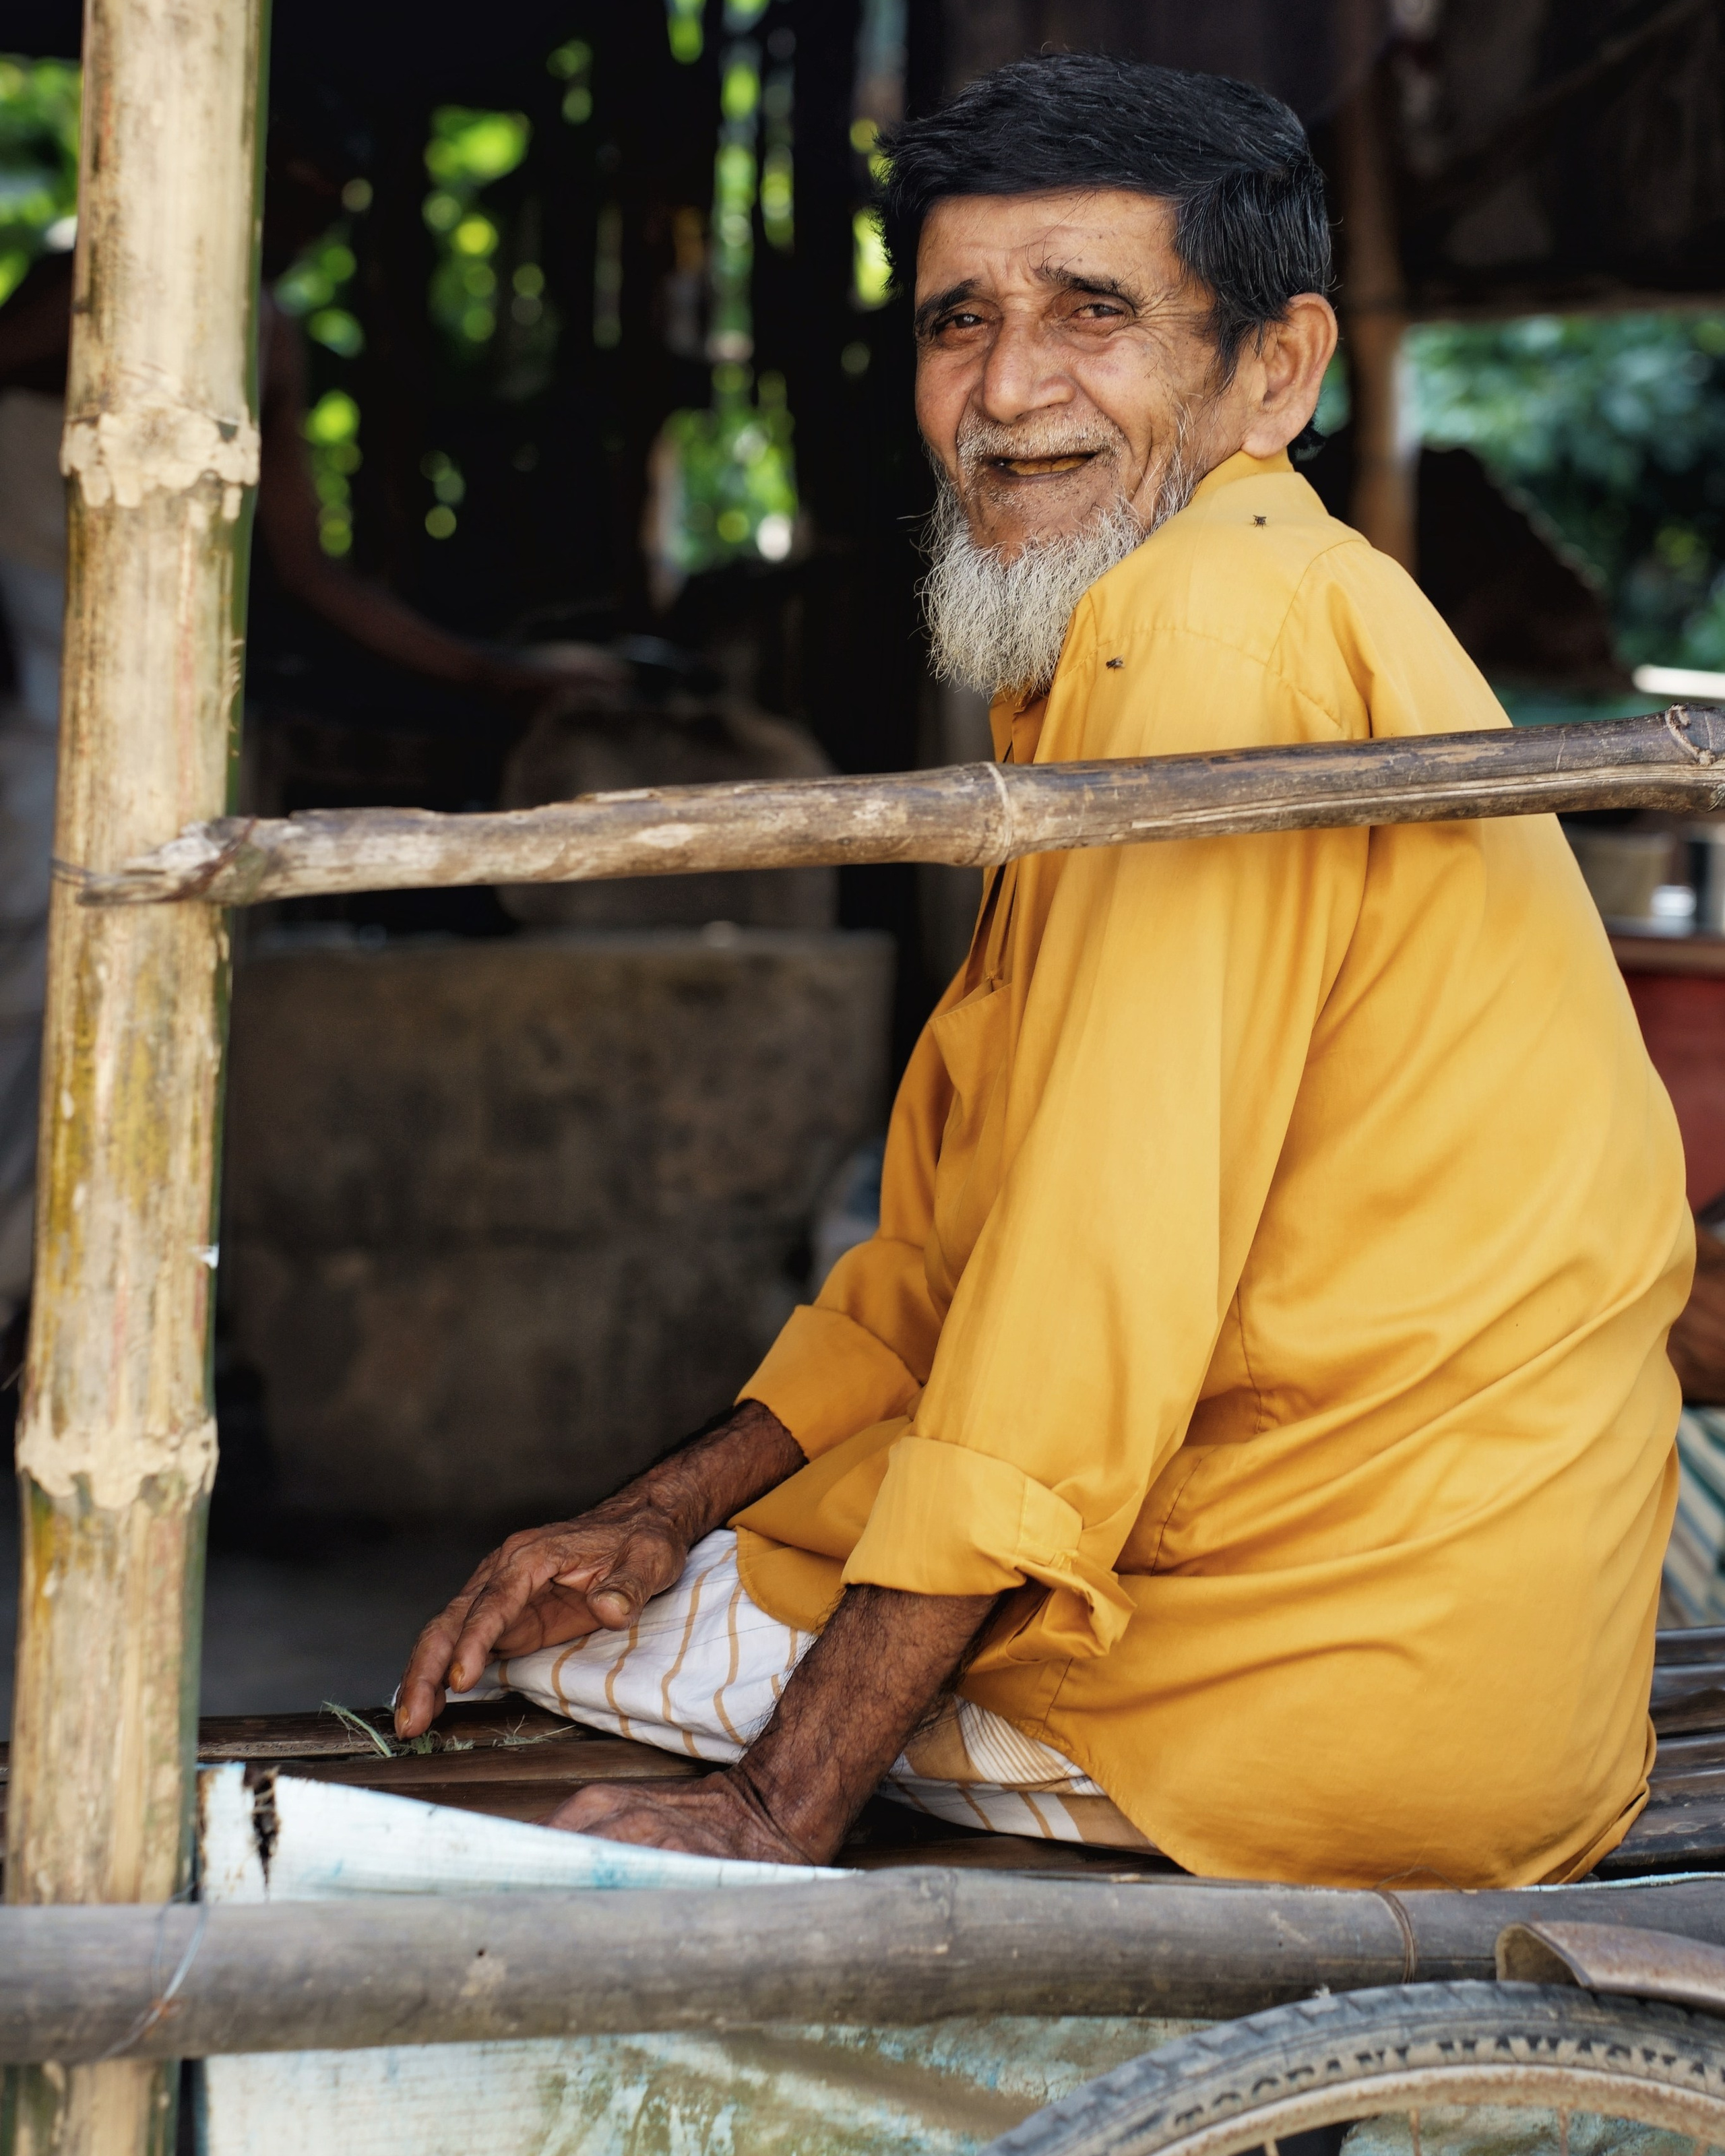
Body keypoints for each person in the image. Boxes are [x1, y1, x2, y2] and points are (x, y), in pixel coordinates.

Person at [397, 54, 1692, 1887]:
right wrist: (660, 1506)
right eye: (961, 322)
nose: (1008, 393)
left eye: (1095, 314)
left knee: (530, 1687)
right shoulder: (1173, 619)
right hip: (1453, 1669)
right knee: (624, 1604)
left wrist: (779, 1801)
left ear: (1275, 370)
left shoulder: (1212, 627)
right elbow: (951, 1265)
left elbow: (1086, 1282)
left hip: (1318, 1683)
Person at [0, 167, 615, 1337]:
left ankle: (55, 1303)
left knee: (127, 978)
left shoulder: (268, 337)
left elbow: (306, 572)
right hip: (27, 676)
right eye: (294, 188)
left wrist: (496, 676)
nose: (306, 219)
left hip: (152, 691)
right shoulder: (91, 276)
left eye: (328, 200)